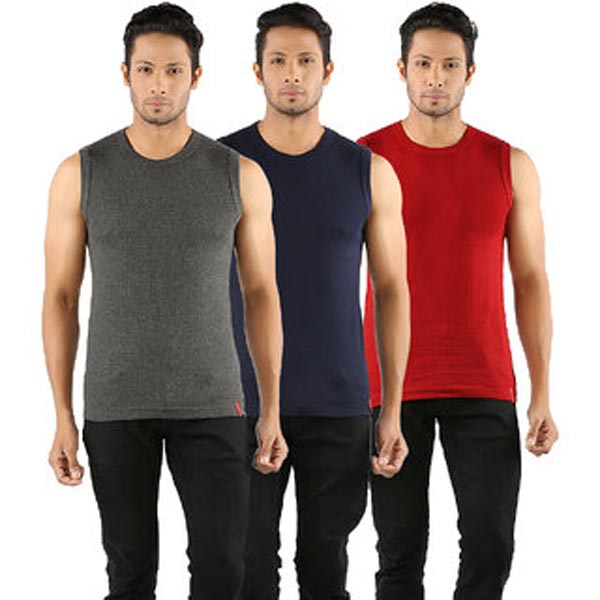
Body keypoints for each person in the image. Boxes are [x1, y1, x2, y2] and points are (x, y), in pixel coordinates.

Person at [42, 3, 287, 599]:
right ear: (125, 74)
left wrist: (271, 408)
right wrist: (62, 415)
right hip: (115, 404)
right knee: (129, 578)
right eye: (146, 69)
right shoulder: (81, 173)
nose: (159, 84)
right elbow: (61, 297)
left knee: (223, 573)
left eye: (174, 71)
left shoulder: (239, 175)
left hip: (214, 403)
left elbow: (261, 294)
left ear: (195, 77)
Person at [358, 3, 559, 599]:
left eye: (450, 65)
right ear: (402, 69)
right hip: (389, 386)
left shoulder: (510, 164)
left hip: (483, 380)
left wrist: (542, 391)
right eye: (423, 63)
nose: (436, 78)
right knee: (399, 552)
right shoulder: (363, 160)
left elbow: (531, 280)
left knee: (492, 545)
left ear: (470, 72)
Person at [220, 3, 411, 599]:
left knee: (326, 566)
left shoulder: (367, 170)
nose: (292, 73)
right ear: (258, 70)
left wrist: (391, 407)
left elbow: (392, 291)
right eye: (278, 60)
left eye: (306, 60)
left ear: (328, 70)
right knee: (248, 568)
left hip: (339, 401)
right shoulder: (219, 165)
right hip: (238, 402)